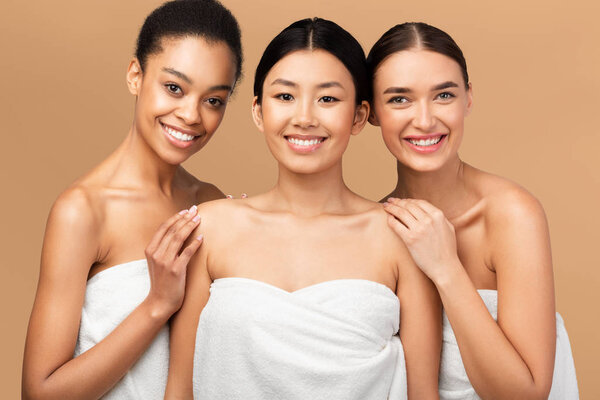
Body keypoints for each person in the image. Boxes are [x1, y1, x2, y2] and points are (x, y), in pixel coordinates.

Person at [165, 17, 441, 400]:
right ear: (259, 112)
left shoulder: (401, 235)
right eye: (285, 96)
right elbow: (179, 391)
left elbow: (423, 395)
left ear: (359, 116)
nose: (305, 118)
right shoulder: (209, 228)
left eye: (328, 98)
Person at [21, 1, 242, 399]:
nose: (192, 114)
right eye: (174, 87)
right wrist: (157, 304)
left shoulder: (208, 203)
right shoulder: (84, 211)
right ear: (135, 75)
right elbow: (40, 392)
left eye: (214, 100)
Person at [368, 22, 578, 399]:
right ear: (371, 112)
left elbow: (526, 393)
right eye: (399, 99)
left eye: (443, 95)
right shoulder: (373, 227)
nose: (425, 119)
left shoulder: (512, 214)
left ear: (468, 98)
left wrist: (445, 267)